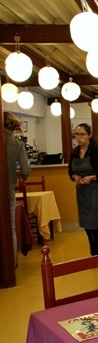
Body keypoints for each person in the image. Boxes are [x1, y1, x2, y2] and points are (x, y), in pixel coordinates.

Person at [68, 123, 98, 255]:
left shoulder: (97, 151)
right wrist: (74, 176)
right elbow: (70, 171)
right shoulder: (74, 153)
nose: (79, 137)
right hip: (82, 193)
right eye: (77, 134)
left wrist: (93, 177)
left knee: (97, 222)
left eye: (82, 134)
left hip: (96, 191)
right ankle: (94, 251)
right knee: (86, 223)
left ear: (89, 135)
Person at [4, 112, 31, 267]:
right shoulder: (16, 144)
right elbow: (26, 170)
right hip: (8, 192)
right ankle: (11, 263)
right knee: (11, 228)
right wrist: (16, 174)